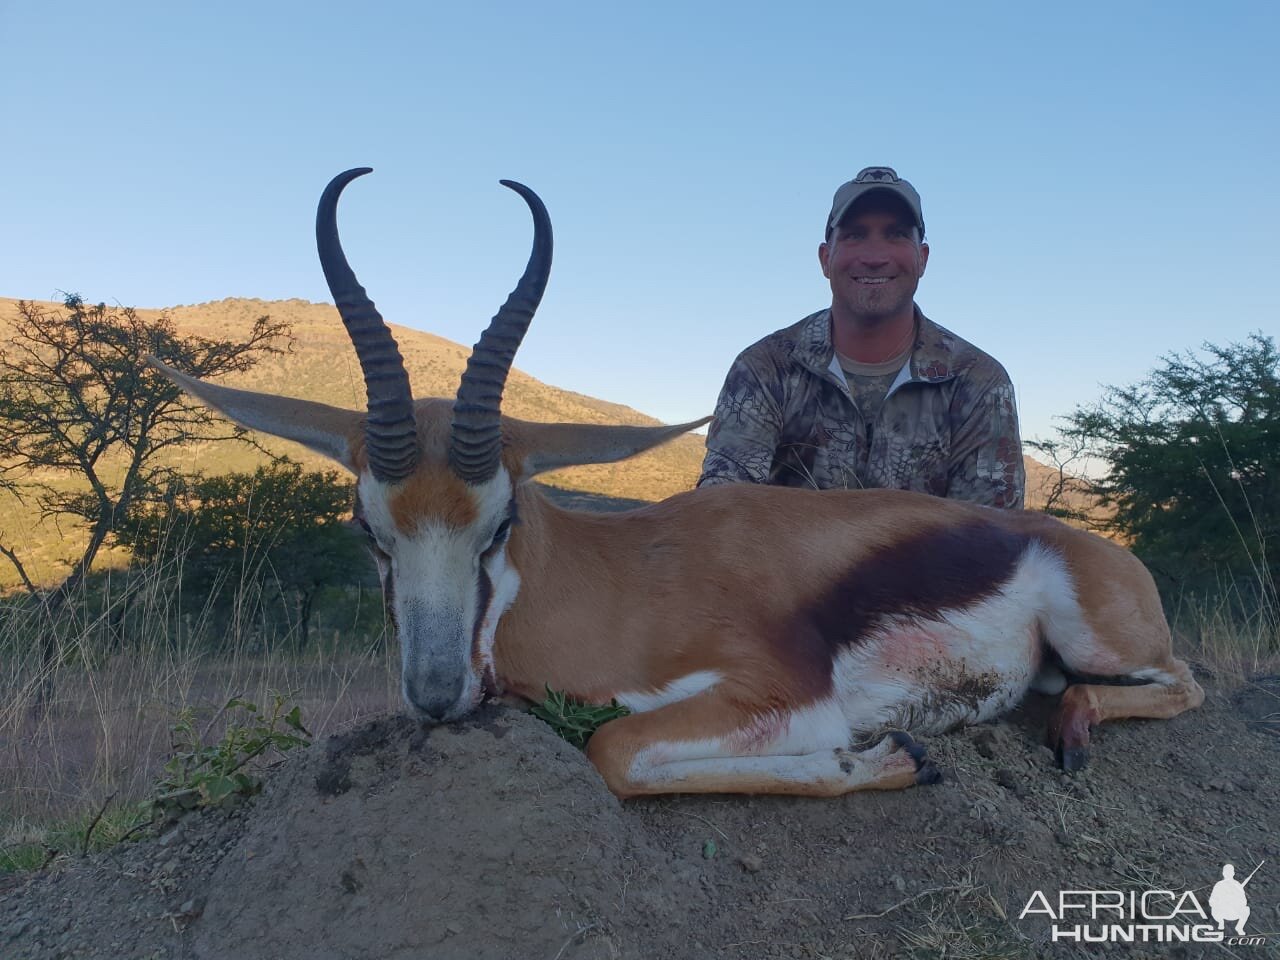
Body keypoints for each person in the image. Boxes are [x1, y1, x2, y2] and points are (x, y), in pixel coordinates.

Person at [699, 166, 1024, 509]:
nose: (874, 257)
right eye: (855, 235)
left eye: (896, 234)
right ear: (826, 258)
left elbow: (992, 537)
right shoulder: (764, 369)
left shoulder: (977, 382)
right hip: (782, 564)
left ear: (922, 258)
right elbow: (720, 515)